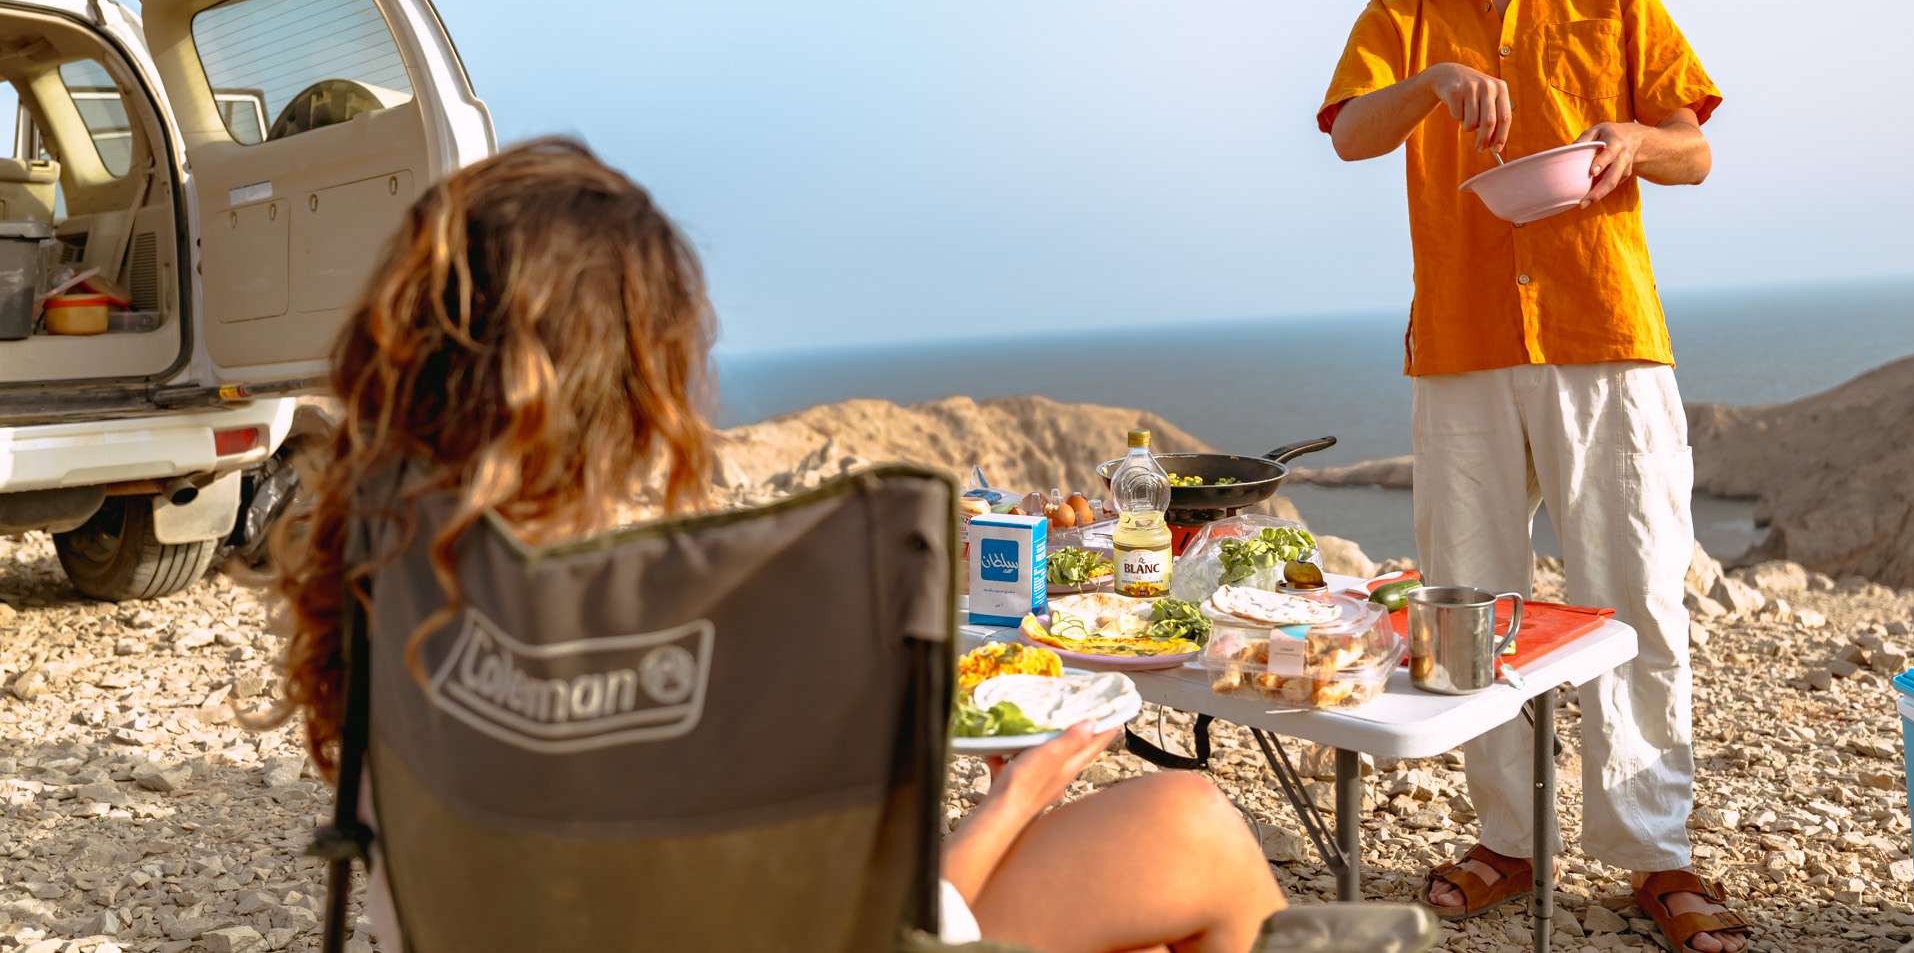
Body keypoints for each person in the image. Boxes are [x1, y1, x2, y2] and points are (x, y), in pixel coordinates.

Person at [263, 137, 1285, 953]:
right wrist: (1017, 796)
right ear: (633, 387)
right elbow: (881, 929)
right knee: (1188, 824)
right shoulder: (661, 643)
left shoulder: (392, 584)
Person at [1317, 0, 1748, 953]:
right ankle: (1507, 836)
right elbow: (1353, 130)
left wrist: (1633, 140)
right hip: (1459, 343)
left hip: (1602, 332)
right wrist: (1433, 83)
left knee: (1635, 589)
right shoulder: (1399, 13)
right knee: (1469, 601)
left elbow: (1694, 151)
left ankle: (1654, 853)